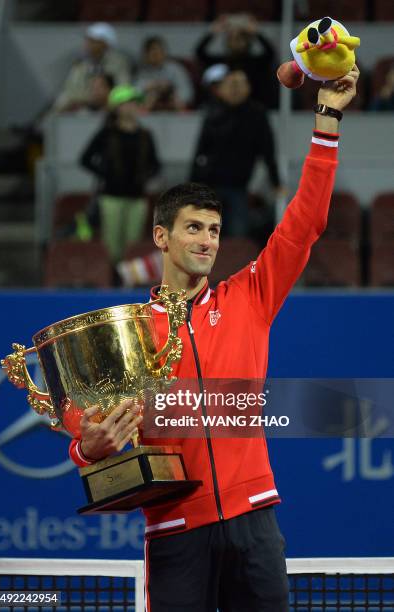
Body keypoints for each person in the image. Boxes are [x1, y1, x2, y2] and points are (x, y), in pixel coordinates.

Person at [69, 66, 360, 611]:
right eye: (193, 228)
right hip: (176, 530)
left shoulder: (248, 295)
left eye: (214, 230)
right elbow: (86, 427)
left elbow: (304, 224)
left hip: (255, 521)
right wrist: (88, 447)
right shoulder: (127, 332)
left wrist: (327, 120)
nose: (206, 241)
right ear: (162, 235)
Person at [191, 68, 283, 237]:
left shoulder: (257, 114)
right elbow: (200, 151)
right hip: (210, 187)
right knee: (207, 237)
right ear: (221, 89)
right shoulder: (213, 112)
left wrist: (275, 181)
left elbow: (268, 150)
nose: (235, 89)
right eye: (231, 84)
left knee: (237, 237)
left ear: (248, 88)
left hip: (239, 187)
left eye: (240, 84)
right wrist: (192, 186)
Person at [80, 84, 160, 266]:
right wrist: (106, 174)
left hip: (137, 197)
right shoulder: (107, 133)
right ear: (116, 108)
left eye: (134, 103)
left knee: (133, 244)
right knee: (112, 245)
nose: (131, 107)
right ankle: (112, 283)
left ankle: (127, 282)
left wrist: (145, 177)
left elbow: (155, 164)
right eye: (127, 103)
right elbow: (85, 158)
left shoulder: (145, 135)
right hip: (111, 196)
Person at [196, 13, 278, 109]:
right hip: (224, 109)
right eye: (232, 38)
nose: (236, 41)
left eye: (240, 38)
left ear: (248, 41)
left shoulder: (257, 63)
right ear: (227, 42)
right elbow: (200, 54)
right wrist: (213, 32)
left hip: (253, 108)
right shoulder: (221, 62)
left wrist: (257, 33)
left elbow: (271, 53)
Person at [53, 22, 131, 113]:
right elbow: (71, 89)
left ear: (105, 43)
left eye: (93, 41)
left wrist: (106, 98)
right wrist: (88, 98)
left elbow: (124, 87)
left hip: (110, 103)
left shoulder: (119, 62)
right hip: (84, 102)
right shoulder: (81, 63)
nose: (88, 44)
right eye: (88, 40)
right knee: (63, 100)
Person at [134, 36, 194, 111]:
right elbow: (134, 93)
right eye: (153, 53)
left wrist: (170, 89)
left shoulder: (175, 69)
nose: (156, 56)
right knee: (150, 96)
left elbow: (187, 93)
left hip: (173, 104)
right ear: (146, 55)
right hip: (150, 106)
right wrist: (152, 86)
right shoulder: (142, 71)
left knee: (177, 99)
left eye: (159, 52)